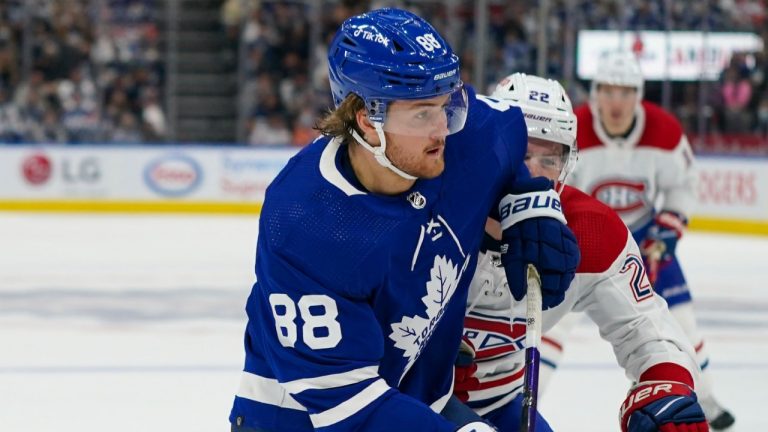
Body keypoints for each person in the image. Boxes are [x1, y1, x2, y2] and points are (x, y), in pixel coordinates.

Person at [228, 9, 579, 432]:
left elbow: (508, 132)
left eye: (446, 102)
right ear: (367, 121)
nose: (443, 129)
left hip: (421, 397)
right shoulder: (304, 224)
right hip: (302, 419)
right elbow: (352, 407)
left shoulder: (472, 136)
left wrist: (530, 201)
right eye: (421, 113)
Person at [452, 73, 709, 432]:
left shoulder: (591, 232)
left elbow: (645, 326)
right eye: (521, 153)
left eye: (550, 159)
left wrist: (663, 385)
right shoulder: (439, 202)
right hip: (406, 395)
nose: (533, 174)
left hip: (500, 400)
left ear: (568, 163)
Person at [560, 50, 734, 430]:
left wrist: (667, 231)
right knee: (550, 324)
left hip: (644, 239)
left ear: (638, 95)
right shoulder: (571, 128)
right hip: (585, 238)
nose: (615, 101)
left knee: (683, 327)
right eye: (607, 91)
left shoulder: (666, 131)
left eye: (624, 92)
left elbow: (681, 188)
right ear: (595, 93)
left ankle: (703, 401)